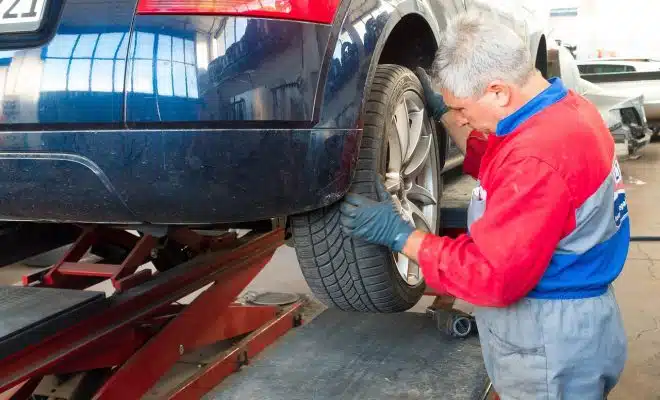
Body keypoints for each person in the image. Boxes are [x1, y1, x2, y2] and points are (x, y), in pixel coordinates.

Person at [339, 12, 628, 400]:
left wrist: (401, 236)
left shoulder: (537, 158)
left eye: (462, 108)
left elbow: (491, 276)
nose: (462, 117)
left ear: (497, 91)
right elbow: (500, 161)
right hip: (573, 324)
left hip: (550, 338)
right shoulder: (565, 111)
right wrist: (445, 114)